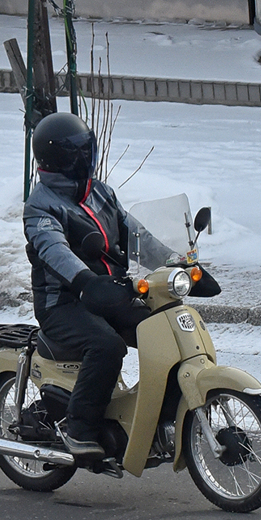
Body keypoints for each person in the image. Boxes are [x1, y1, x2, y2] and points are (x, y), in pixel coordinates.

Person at [22, 112, 177, 459]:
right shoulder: (40, 205)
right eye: (80, 153)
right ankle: (80, 428)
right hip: (63, 303)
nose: (87, 159)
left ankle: (159, 424)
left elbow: (136, 235)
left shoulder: (101, 193)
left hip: (109, 293)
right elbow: (54, 250)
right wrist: (85, 281)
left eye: (87, 150)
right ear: (64, 159)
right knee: (107, 346)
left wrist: (177, 264)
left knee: (163, 333)